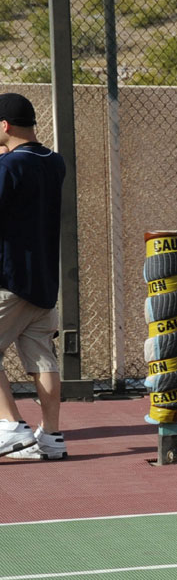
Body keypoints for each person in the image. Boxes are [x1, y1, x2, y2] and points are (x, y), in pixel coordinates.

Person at [0, 94, 68, 462]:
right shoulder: (54, 162)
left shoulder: (8, 167)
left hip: (9, 279)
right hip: (43, 280)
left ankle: (11, 426)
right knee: (42, 359)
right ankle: (52, 436)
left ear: (4, 126)